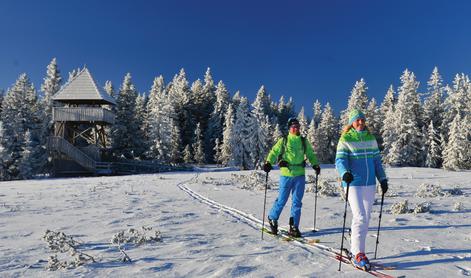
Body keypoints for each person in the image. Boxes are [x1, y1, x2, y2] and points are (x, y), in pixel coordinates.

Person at [335, 109, 388, 270]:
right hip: (354, 183)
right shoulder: (346, 138)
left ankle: (356, 244)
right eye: (357, 120)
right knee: (360, 217)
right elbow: (340, 160)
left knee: (365, 218)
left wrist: (383, 179)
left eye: (362, 120)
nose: (360, 122)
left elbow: (377, 162)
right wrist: (345, 174)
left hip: (369, 183)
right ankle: (358, 253)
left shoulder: (370, 138)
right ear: (352, 122)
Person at [263, 117, 320, 238]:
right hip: (286, 174)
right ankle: (272, 218)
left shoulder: (303, 141)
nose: (296, 128)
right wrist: (268, 162)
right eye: (293, 126)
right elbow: (274, 152)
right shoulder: (284, 140)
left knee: (297, 202)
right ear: (289, 128)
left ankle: (294, 226)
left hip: (299, 175)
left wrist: (315, 165)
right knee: (282, 200)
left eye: (297, 126)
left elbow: (310, 154)